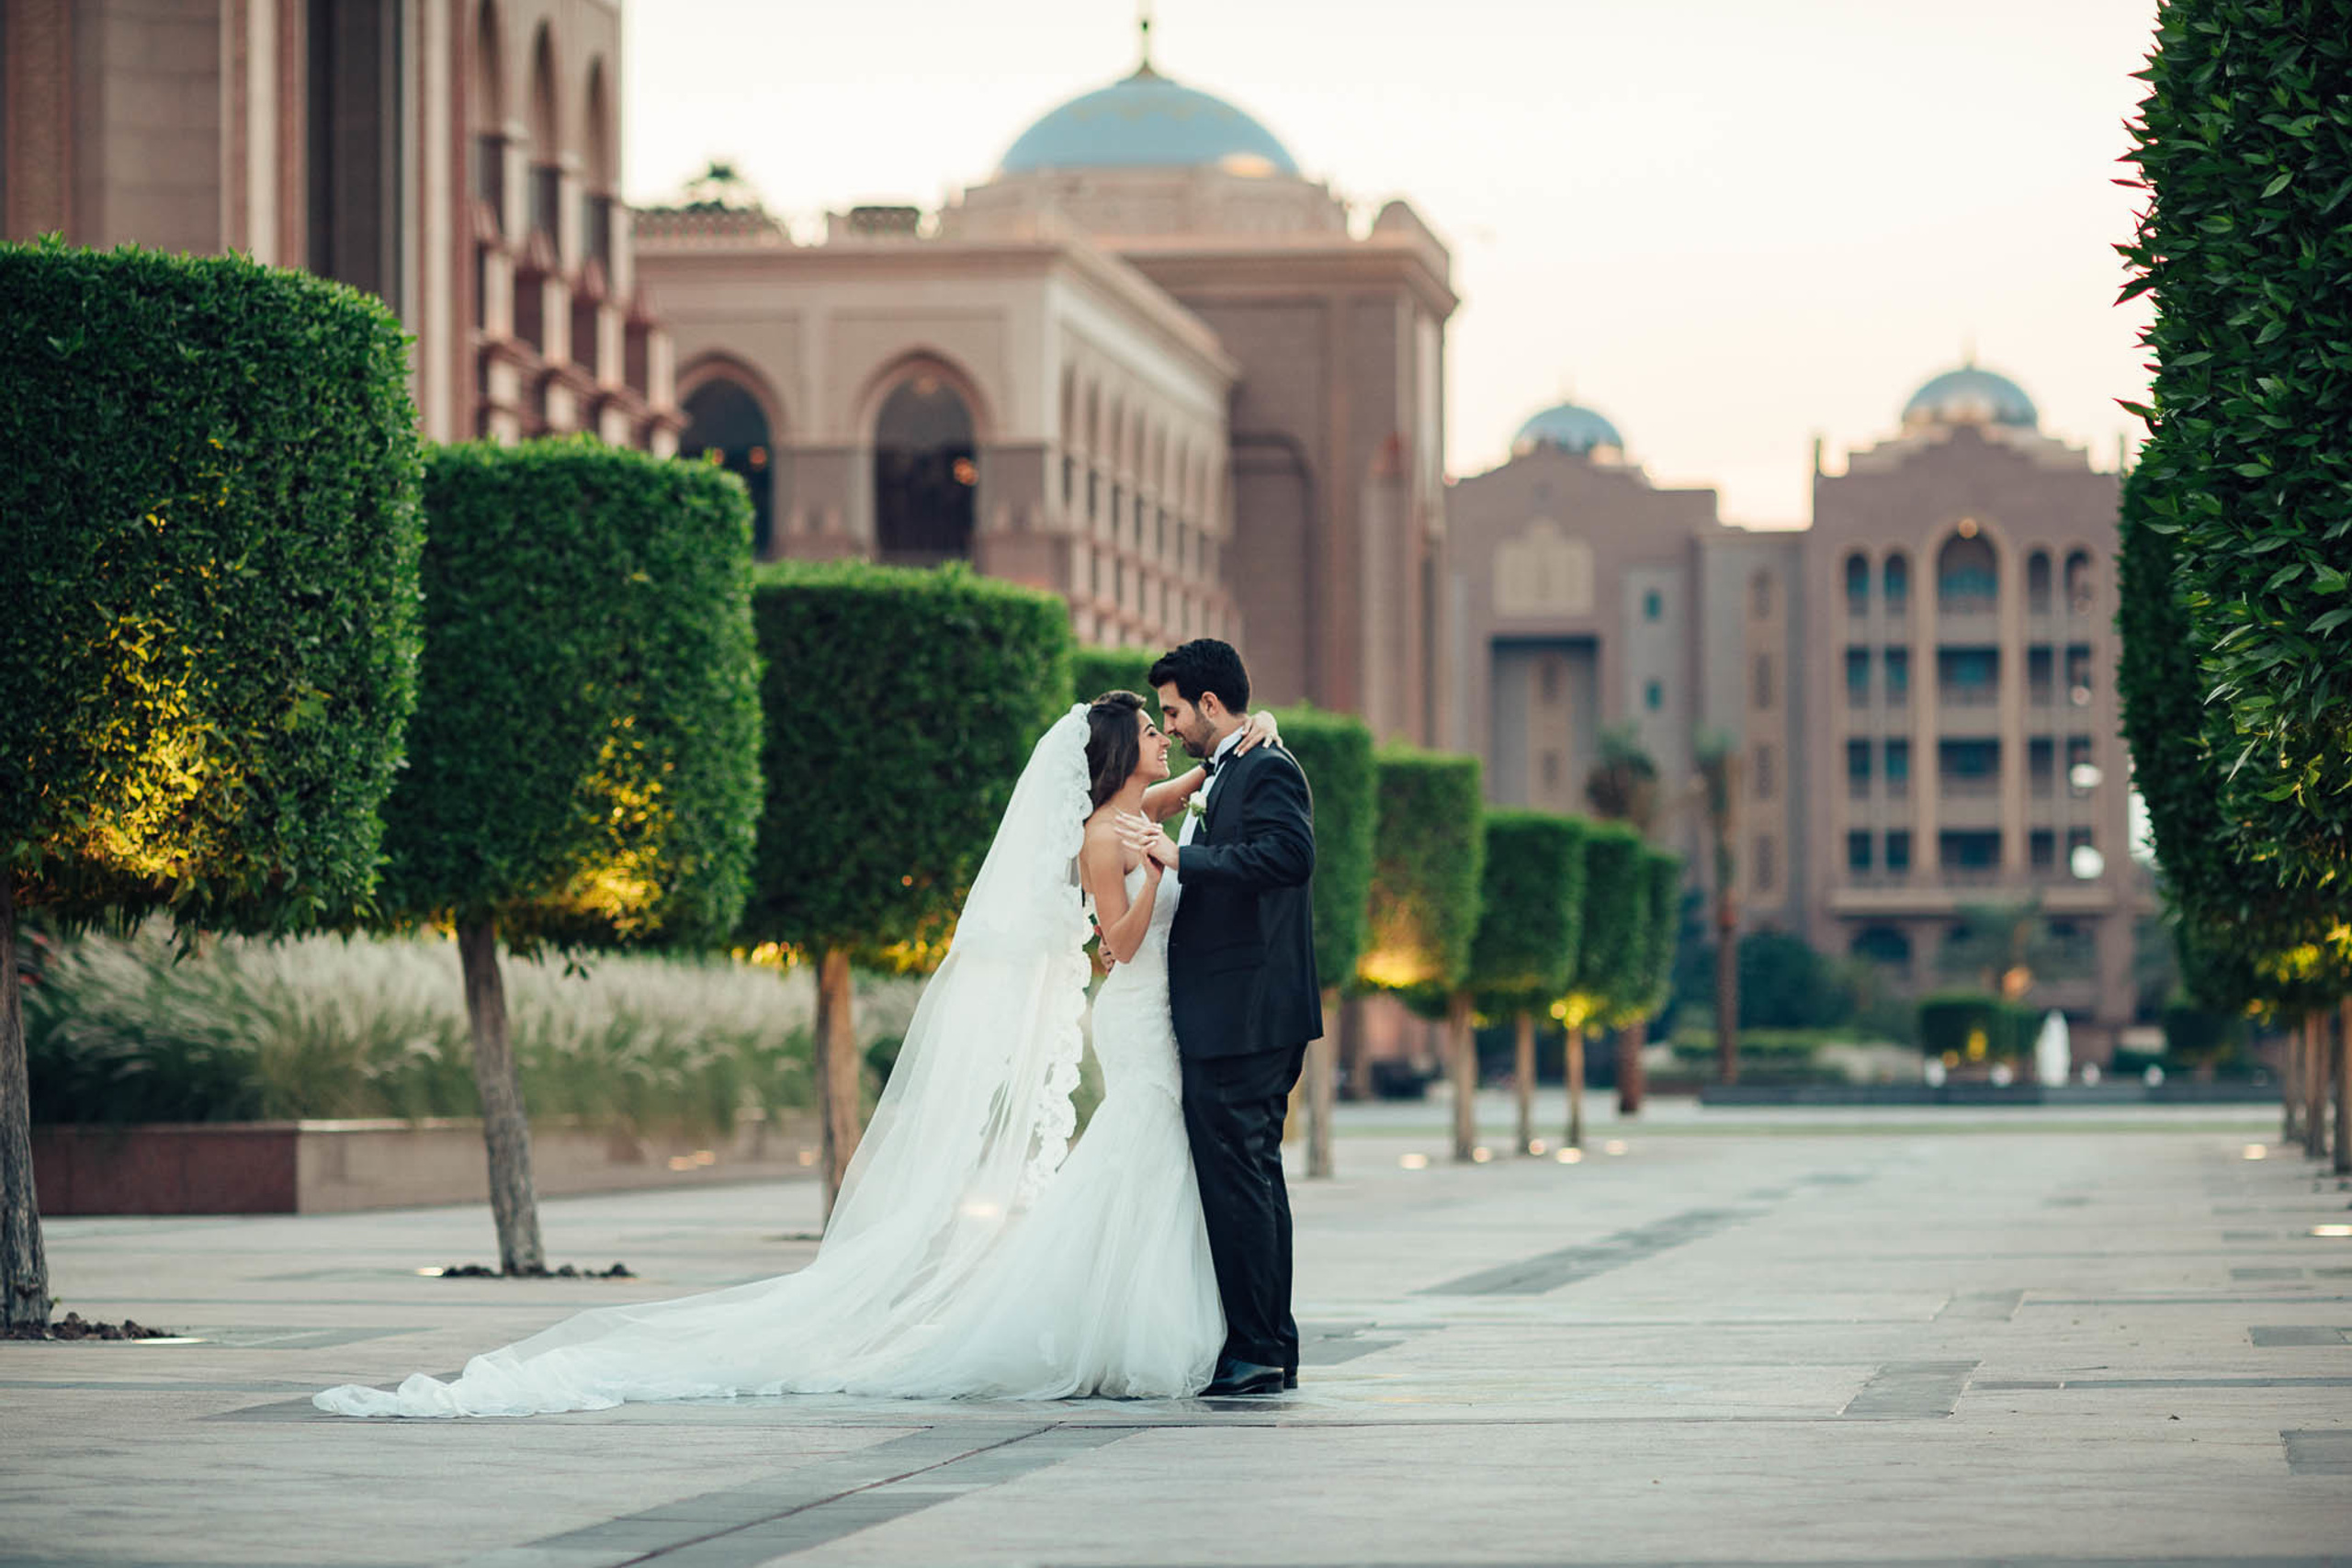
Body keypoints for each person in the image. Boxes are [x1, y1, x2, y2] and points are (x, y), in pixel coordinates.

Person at [312, 693, 1281, 1416]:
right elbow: (1114, 941)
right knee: (1138, 1155)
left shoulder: (1126, 811)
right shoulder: (1113, 837)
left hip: (1154, 1015)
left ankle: (1159, 1321)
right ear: (1117, 756)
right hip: (1138, 1006)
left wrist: (1221, 761)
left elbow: (1156, 796)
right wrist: (1160, 872)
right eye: (1152, 733)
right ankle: (1135, 1327)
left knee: (1150, 1160)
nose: (1165, 738)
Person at [1143, 638, 1320, 1397]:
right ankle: (1268, 1344)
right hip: (1237, 1012)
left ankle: (1255, 1348)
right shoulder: (1231, 766)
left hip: (1246, 1015)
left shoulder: (1267, 766)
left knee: (1240, 1181)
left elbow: (1290, 855)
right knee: (1253, 1177)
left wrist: (1187, 860)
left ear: (1211, 705)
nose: (1171, 724)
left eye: (1175, 710)